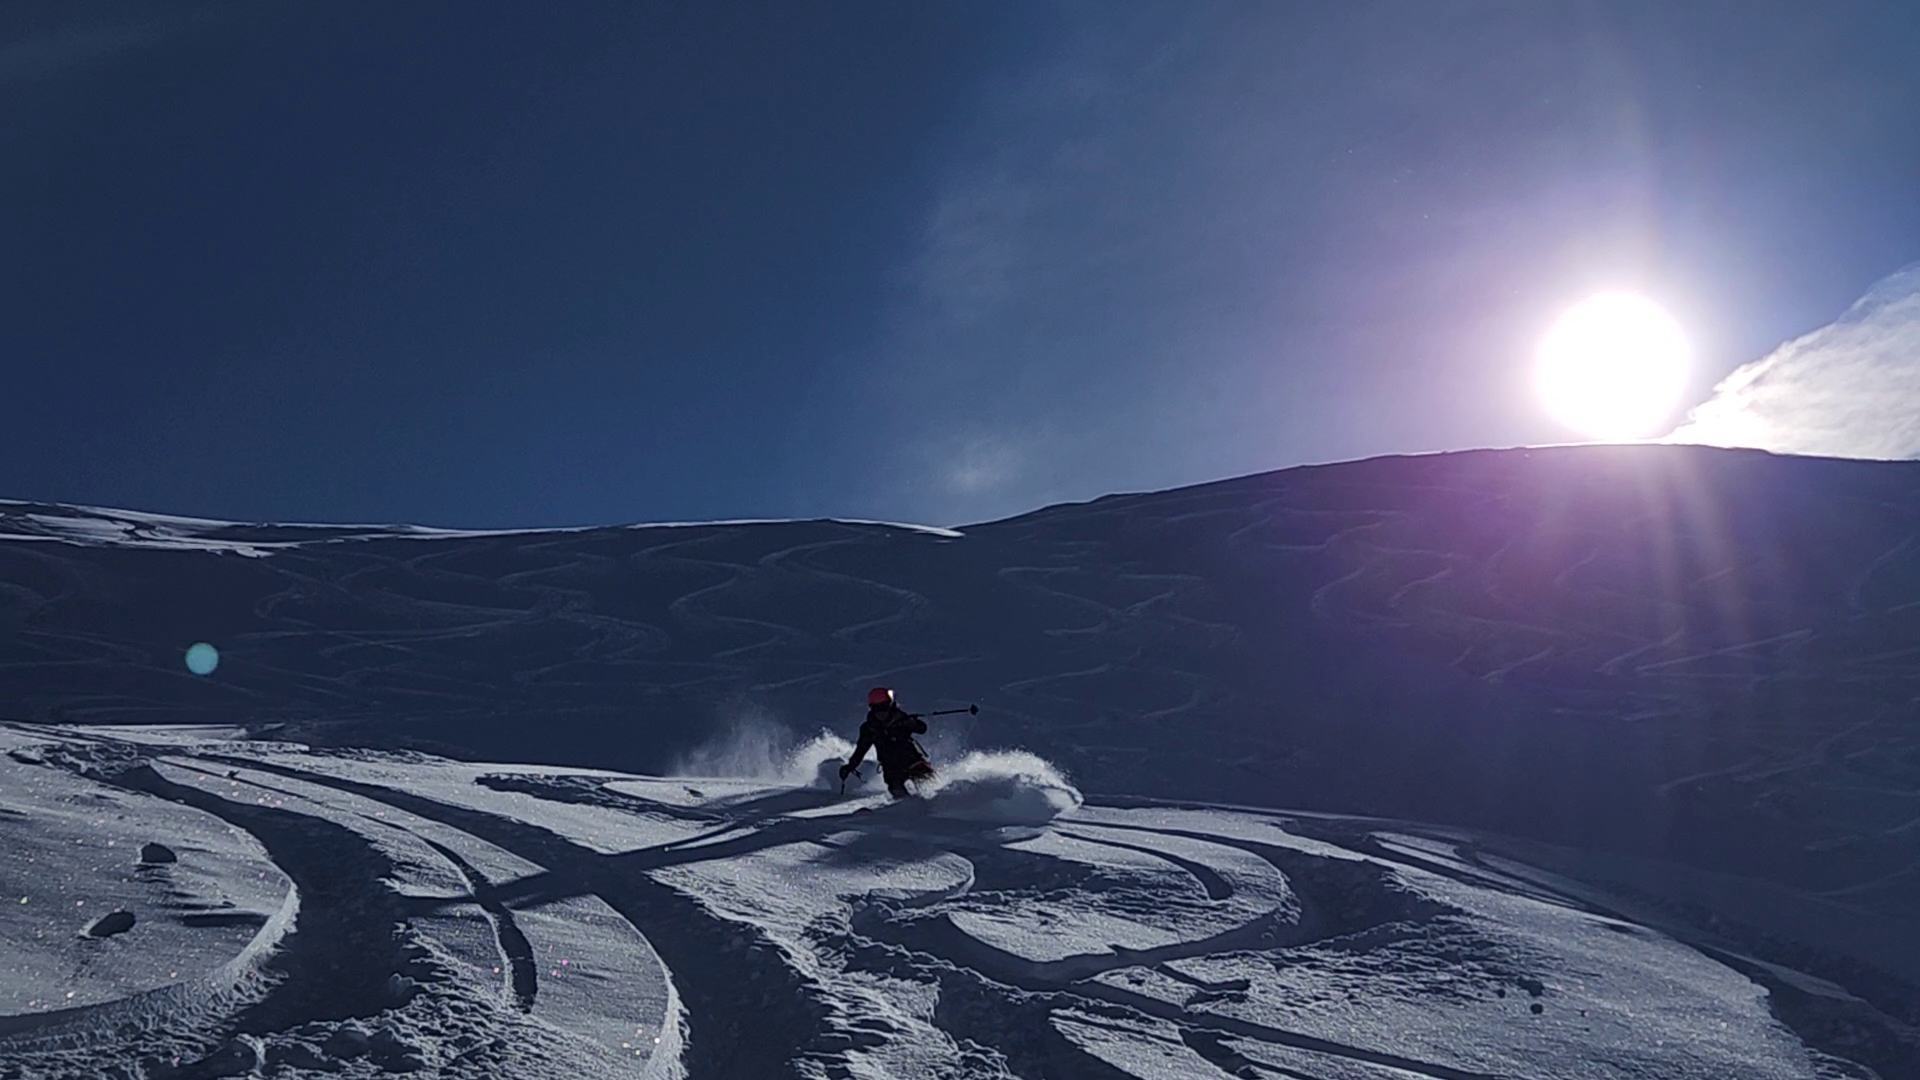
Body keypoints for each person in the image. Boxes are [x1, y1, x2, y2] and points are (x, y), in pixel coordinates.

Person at [840, 687, 935, 798]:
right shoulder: (869, 729)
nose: (881, 713)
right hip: (891, 768)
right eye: (876, 708)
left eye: (884, 707)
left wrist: (912, 723)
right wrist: (850, 766)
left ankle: (934, 802)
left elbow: (922, 728)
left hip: (912, 762)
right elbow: (861, 749)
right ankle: (908, 807)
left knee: (928, 786)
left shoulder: (901, 719)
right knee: (898, 792)